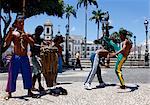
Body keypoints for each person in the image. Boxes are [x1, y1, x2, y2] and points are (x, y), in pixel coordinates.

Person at [4, 16, 37, 100]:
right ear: (16, 24)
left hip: (24, 57)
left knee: (27, 74)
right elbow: (7, 42)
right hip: (16, 57)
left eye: (23, 22)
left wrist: (27, 38)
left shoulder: (27, 34)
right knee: (12, 75)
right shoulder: (14, 34)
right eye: (20, 22)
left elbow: (33, 43)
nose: (22, 24)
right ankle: (9, 92)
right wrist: (10, 33)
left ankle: (29, 91)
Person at [30, 25, 44, 92]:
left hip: (38, 56)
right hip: (33, 56)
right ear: (37, 30)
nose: (41, 33)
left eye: (41, 31)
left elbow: (42, 45)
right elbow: (32, 44)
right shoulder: (32, 36)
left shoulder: (40, 38)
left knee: (37, 72)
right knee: (38, 70)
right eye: (40, 31)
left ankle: (33, 85)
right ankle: (39, 85)